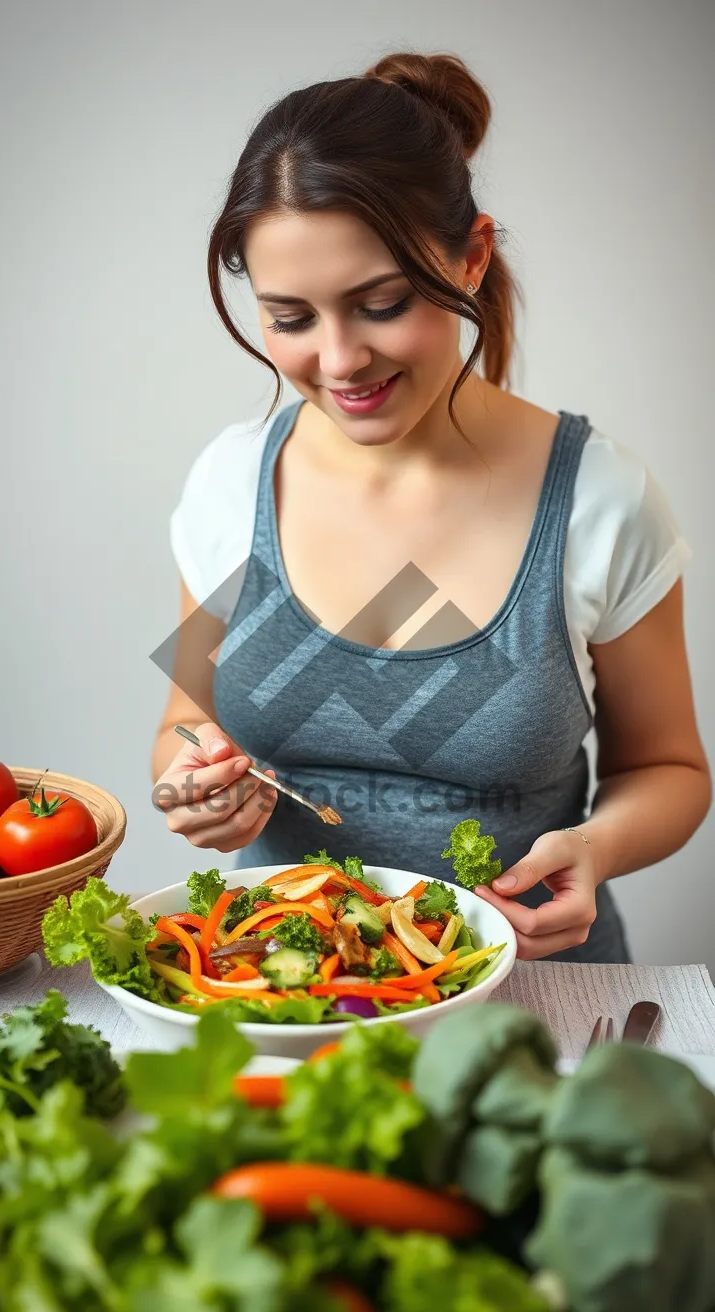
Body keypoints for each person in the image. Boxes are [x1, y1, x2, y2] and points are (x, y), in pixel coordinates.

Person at [151, 51, 711, 962]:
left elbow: (670, 770)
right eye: (291, 318)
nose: (339, 361)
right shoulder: (228, 482)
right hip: (277, 1001)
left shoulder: (599, 502)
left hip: (529, 1003)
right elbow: (184, 725)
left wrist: (596, 849)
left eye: (381, 303)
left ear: (471, 255)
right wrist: (193, 790)